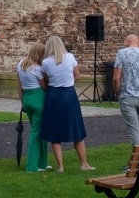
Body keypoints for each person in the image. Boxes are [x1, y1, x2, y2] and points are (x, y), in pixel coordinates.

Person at [40, 34, 94, 171]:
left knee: (55, 130)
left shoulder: (46, 62)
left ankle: (60, 166)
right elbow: (77, 74)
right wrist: (69, 81)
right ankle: (84, 163)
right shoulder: (70, 57)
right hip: (69, 94)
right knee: (76, 128)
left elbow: (45, 79)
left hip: (54, 94)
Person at [16, 41, 50, 172]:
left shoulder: (20, 65)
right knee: (36, 133)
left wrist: (22, 102)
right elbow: (44, 87)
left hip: (27, 98)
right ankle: (32, 166)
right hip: (38, 99)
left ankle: (42, 163)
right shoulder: (38, 68)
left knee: (39, 130)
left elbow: (19, 85)